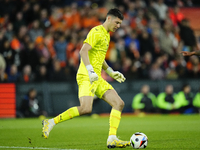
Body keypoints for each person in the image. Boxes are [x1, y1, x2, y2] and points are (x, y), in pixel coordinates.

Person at [42, 8, 130, 148]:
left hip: (97, 77)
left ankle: (112, 138)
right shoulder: (96, 32)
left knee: (119, 103)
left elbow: (99, 58)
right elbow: (83, 51)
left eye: (120, 24)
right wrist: (90, 71)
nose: (118, 26)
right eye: (117, 22)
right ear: (108, 18)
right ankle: (51, 122)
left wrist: (111, 71)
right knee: (86, 108)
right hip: (86, 75)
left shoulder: (107, 35)